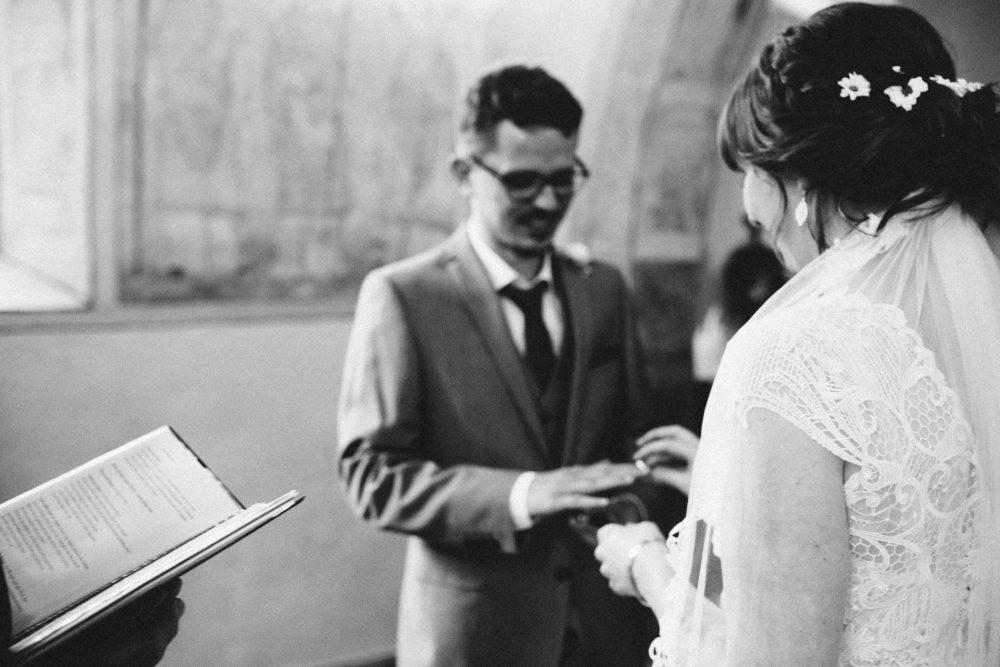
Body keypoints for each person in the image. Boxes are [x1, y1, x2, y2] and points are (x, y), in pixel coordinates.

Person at [594, 3, 1000, 665]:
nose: (752, 209)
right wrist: (733, 486)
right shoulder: (976, 314)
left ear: (799, 177)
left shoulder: (790, 355)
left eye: (748, 171)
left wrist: (646, 567)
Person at [336, 63, 686, 666]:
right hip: (477, 633)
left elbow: (636, 440)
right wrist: (525, 494)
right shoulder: (404, 296)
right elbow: (372, 476)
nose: (547, 202)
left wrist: (634, 508)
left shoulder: (604, 289)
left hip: (607, 626)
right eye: (522, 181)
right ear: (463, 174)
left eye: (563, 179)